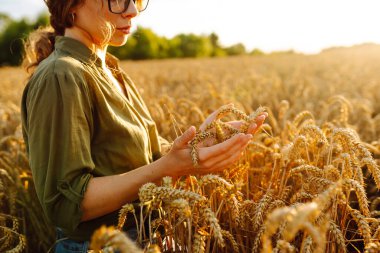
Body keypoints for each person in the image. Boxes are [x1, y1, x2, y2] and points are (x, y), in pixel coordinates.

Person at [21, 0, 267, 252]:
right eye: (116, 0)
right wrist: (166, 169)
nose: (133, 11)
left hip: (149, 237)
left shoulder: (112, 71)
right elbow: (65, 203)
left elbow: (142, 158)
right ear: (71, 5)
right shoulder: (61, 76)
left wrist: (197, 146)